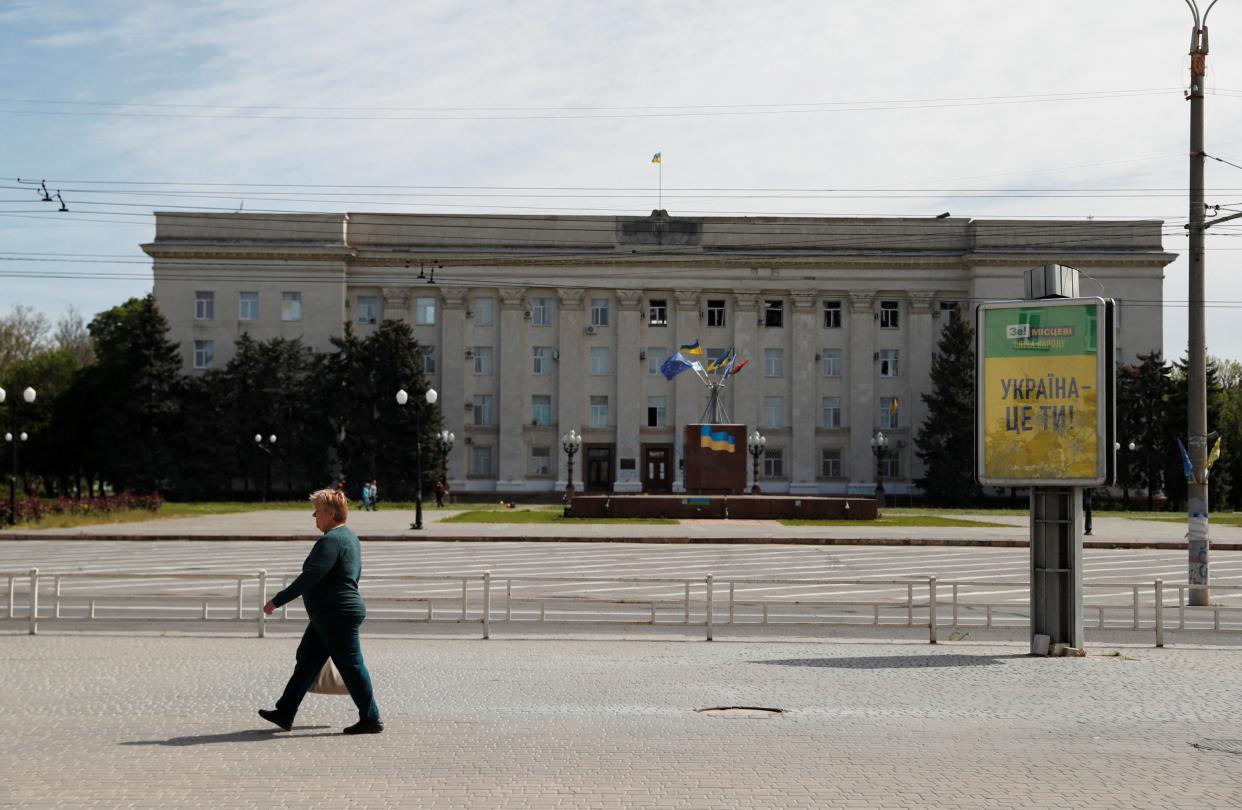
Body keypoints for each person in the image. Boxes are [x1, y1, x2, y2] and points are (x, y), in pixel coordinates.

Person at [258, 488, 383, 735]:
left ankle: (371, 718)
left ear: (331, 513)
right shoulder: (349, 536)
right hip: (329, 614)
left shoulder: (331, 541)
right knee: (307, 659)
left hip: (336, 614)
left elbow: (310, 577)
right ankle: (285, 711)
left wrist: (277, 601)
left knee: (351, 665)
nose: (314, 515)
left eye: (317, 511)